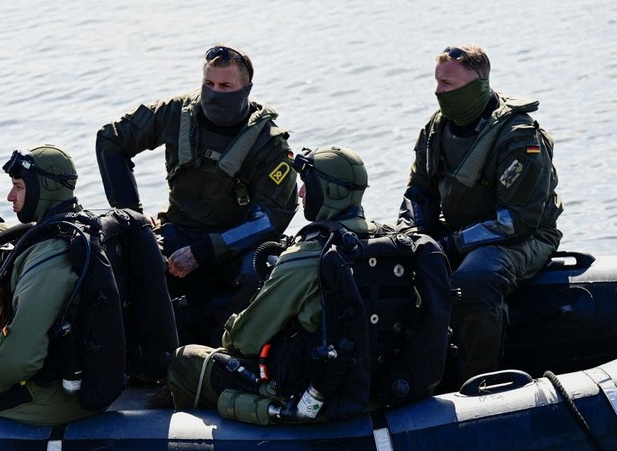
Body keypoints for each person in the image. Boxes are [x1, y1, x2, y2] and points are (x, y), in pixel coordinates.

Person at [166, 147, 415, 422]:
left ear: (331, 193)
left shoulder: (307, 255)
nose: (300, 193)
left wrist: (229, 329)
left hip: (312, 394)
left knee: (185, 360)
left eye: (307, 185)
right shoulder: (391, 245)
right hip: (379, 384)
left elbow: (246, 341)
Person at [96, 45, 299, 346]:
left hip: (234, 244)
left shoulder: (269, 145)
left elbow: (272, 217)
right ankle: (145, 355)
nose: (216, 93)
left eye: (226, 86)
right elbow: (111, 139)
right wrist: (133, 218)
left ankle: (222, 354)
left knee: (261, 268)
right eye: (209, 84)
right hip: (178, 232)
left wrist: (205, 250)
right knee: (115, 255)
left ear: (246, 89)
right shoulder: (176, 113)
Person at [396, 45, 563, 385]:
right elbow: (418, 191)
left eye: (448, 85)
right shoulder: (436, 129)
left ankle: (479, 381)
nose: (438, 91)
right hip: (459, 230)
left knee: (475, 279)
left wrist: (453, 244)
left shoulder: (518, 137)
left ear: (478, 85)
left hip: (524, 235)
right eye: (438, 82)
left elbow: (516, 220)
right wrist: (411, 235)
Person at [0, 145, 121, 426]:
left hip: (53, 398)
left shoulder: (53, 260)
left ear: (44, 189)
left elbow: (20, 358)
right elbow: (19, 241)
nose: (10, 196)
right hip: (75, 374)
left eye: (18, 187)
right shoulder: (71, 227)